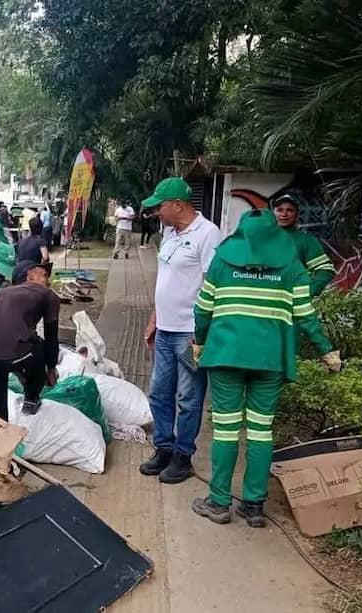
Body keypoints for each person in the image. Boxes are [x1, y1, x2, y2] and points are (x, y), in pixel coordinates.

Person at [190, 209, 342, 527]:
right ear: (275, 233)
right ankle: (254, 505)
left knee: (226, 429)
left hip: (226, 356)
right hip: (270, 360)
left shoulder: (222, 261)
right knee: (261, 430)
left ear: (241, 233)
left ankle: (218, 503)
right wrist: (326, 350)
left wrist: (200, 343)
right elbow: (305, 315)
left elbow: (203, 309)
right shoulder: (292, 266)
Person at [139, 177, 222, 483]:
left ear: (177, 205)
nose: (156, 212)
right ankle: (164, 447)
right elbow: (166, 281)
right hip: (165, 329)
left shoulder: (208, 234)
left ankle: (183, 456)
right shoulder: (169, 233)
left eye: (159, 206)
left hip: (190, 333)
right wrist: (154, 318)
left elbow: (213, 286)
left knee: (188, 398)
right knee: (159, 393)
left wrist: (202, 333)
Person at [0, 260, 60, 419]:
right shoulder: (48, 294)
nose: (48, 281)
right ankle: (31, 399)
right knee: (38, 346)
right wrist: (51, 368)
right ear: (30, 276)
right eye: (45, 275)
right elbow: (51, 337)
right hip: (10, 357)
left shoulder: (1, 293)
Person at [273, 193, 336, 296]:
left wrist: (308, 292)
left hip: (291, 300)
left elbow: (326, 269)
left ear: (297, 215)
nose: (284, 214)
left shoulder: (306, 241)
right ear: (273, 213)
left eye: (289, 210)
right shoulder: (260, 238)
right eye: (279, 210)